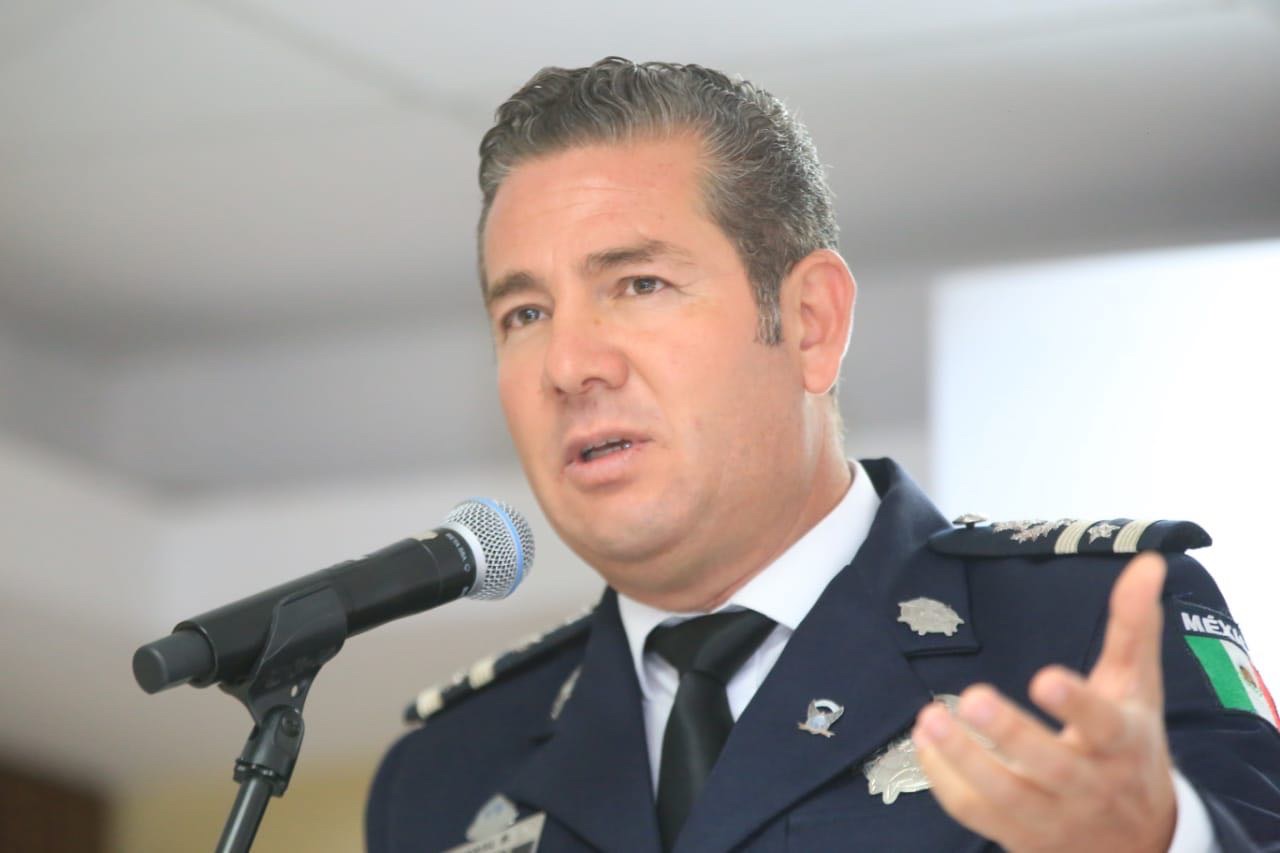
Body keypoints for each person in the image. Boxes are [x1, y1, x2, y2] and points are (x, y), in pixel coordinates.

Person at [366, 58, 1280, 852]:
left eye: (639, 284)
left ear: (810, 322)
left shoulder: (1085, 629)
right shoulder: (446, 772)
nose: (568, 365)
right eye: (525, 313)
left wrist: (1158, 840)